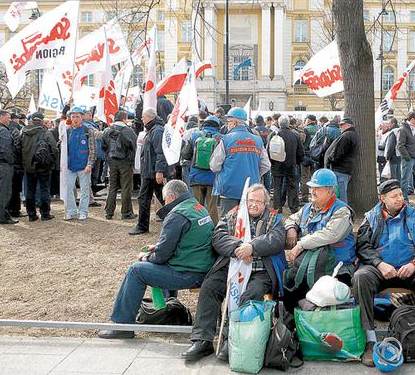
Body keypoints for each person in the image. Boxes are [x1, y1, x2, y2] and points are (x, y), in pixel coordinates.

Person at [98, 180, 215, 339]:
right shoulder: (198, 207)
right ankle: (166, 310)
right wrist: (158, 248)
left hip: (190, 273)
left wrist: (146, 257)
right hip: (203, 268)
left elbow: (161, 257)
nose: (164, 203)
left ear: (172, 197)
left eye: (165, 199)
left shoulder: (176, 214)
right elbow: (185, 241)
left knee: (136, 270)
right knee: (155, 265)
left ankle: (123, 326)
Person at [184, 184, 287, 362]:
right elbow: (218, 237)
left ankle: (232, 339)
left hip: (260, 271)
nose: (253, 204)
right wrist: (238, 247)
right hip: (232, 267)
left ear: (265, 204)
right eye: (250, 200)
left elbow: (276, 240)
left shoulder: (274, 219)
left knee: (249, 295)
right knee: (210, 287)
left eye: (258, 201)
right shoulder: (233, 215)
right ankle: (202, 340)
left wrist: (252, 247)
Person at [353, 179, 415, 367]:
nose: (399, 199)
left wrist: (414, 263)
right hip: (382, 270)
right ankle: (370, 340)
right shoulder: (371, 217)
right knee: (360, 277)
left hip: (411, 269)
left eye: (401, 195)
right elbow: (363, 246)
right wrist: (379, 264)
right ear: (383, 199)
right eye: (394, 196)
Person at [282, 169, 355, 309]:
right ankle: (293, 322)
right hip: (309, 266)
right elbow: (292, 219)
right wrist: (291, 229)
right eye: (311, 188)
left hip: (336, 268)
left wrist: (301, 244)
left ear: (330, 191)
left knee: (311, 290)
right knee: (288, 279)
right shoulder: (308, 208)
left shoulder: (342, 211)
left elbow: (329, 234)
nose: (312, 191)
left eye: (317, 188)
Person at [210, 107, 270, 216]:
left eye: (228, 122)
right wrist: (254, 173)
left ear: (234, 123)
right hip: (251, 188)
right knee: (247, 224)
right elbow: (266, 165)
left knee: (228, 223)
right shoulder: (257, 140)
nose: (227, 125)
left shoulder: (226, 139)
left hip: (229, 189)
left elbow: (214, 166)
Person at [132, 107, 167, 235]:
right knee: (163, 198)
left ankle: (142, 226)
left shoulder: (156, 131)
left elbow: (160, 152)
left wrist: (159, 171)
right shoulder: (153, 130)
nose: (141, 119)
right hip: (151, 170)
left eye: (143, 117)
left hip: (152, 172)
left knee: (145, 198)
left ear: (149, 117)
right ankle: (174, 222)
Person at [19, 112, 58, 221]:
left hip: (28, 166)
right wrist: (51, 162)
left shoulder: (23, 132)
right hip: (43, 166)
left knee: (29, 190)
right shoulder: (46, 133)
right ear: (41, 120)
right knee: (44, 189)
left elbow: (18, 148)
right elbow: (54, 149)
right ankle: (45, 214)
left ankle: (31, 215)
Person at [184, 115, 222, 225]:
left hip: (196, 176)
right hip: (213, 178)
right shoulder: (221, 138)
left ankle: (197, 228)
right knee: (212, 207)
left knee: (197, 206)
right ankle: (214, 230)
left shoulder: (195, 136)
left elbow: (186, 154)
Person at [102, 110, 138, 221]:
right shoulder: (129, 131)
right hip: (125, 162)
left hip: (111, 161)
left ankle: (109, 212)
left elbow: (104, 146)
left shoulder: (107, 130)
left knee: (112, 186)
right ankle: (126, 212)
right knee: (126, 187)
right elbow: (134, 146)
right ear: (124, 118)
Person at [64, 107, 97, 220]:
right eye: (73, 117)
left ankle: (83, 211)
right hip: (70, 166)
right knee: (68, 189)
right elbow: (64, 149)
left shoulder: (88, 130)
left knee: (85, 190)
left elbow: (93, 149)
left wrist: (90, 164)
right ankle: (71, 211)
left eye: (77, 116)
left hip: (84, 166)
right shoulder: (67, 131)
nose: (75, 119)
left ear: (82, 117)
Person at [269, 115, 304, 213]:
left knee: (277, 187)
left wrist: (272, 163)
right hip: (291, 165)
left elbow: (269, 150)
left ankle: (277, 207)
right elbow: (300, 151)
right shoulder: (295, 135)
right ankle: (293, 207)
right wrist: (297, 162)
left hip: (277, 165)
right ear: (288, 124)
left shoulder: (274, 134)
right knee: (292, 186)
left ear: (279, 124)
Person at [323, 117, 358, 204]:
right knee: (339, 194)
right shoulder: (351, 134)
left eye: (342, 125)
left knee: (341, 195)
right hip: (344, 168)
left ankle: (343, 214)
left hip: (341, 169)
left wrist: (330, 159)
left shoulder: (346, 135)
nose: (340, 127)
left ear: (349, 125)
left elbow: (338, 152)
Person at [8, 112, 24, 218]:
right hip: (15, 163)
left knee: (10, 188)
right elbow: (19, 146)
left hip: (9, 162)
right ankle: (14, 210)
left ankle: (11, 209)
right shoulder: (16, 130)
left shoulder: (5, 129)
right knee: (15, 189)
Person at [300, 114, 318, 203]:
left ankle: (304, 197)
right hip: (316, 156)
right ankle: (316, 197)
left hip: (306, 156)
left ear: (309, 120)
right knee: (315, 178)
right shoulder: (319, 129)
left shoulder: (305, 129)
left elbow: (302, 142)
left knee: (305, 177)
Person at [383, 117, 401, 182]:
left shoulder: (393, 132)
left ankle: (395, 189)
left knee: (393, 176)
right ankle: (399, 188)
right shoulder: (400, 130)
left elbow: (390, 146)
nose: (388, 125)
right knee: (399, 174)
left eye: (389, 123)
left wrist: (387, 157)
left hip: (393, 156)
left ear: (393, 123)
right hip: (400, 155)